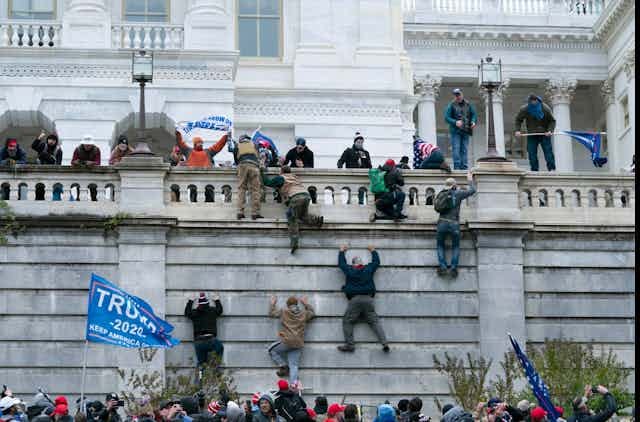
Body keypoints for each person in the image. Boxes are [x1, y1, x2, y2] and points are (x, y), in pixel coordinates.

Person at [336, 244, 389, 353]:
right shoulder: (368, 269)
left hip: (355, 300)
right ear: (362, 263)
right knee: (374, 322)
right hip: (369, 299)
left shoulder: (350, 269)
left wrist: (341, 251)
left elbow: (341, 264)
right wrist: (373, 250)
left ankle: (350, 345)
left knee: (347, 321)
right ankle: (385, 343)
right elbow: (376, 262)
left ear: (353, 264)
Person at [262, 166, 324, 254]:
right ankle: (316, 220)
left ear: (282, 171)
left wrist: (262, 172)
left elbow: (267, 183)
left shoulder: (281, 178)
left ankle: (294, 241)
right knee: (302, 216)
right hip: (306, 196)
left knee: (291, 217)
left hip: (296, 197)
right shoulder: (295, 177)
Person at [434, 172, 476, 278]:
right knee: (456, 246)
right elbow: (472, 190)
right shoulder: (458, 193)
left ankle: (443, 266)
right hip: (454, 224)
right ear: (454, 185)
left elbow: (437, 207)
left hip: (442, 222)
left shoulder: (440, 194)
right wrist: (470, 180)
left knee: (440, 245)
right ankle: (453, 268)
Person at [268, 295, 315, 384]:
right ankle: (294, 386)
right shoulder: (304, 313)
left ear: (287, 305)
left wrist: (273, 304)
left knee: (271, 350)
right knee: (294, 366)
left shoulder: (284, 312)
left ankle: (283, 366)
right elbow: (312, 313)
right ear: (297, 304)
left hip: (287, 341)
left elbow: (272, 313)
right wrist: (306, 304)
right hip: (298, 343)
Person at [514, 93, 557, 172]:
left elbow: (552, 121)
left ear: (537, 101)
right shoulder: (525, 109)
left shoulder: (545, 108)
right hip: (532, 134)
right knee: (531, 153)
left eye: (534, 102)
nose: (532, 103)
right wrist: (517, 130)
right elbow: (518, 120)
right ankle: (534, 170)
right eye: (530, 102)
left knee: (548, 152)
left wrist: (550, 130)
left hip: (544, 134)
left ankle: (552, 169)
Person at [184, 293, 224, 369]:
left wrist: (190, 301)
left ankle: (202, 378)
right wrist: (217, 300)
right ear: (208, 303)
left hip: (199, 341)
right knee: (220, 348)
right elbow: (220, 310)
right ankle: (215, 369)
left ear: (198, 304)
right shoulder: (212, 311)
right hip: (211, 339)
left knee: (202, 363)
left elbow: (187, 313)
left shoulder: (195, 312)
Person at [444, 88, 477, 170]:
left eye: (458, 94)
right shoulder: (451, 105)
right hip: (455, 131)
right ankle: (457, 168)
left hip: (466, 130)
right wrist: (455, 122)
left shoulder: (468, 104)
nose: (457, 96)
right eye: (456, 95)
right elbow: (446, 117)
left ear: (462, 94)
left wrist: (473, 121)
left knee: (464, 150)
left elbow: (474, 115)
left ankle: (464, 168)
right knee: (456, 149)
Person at [233, 134, 263, 220]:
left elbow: (236, 160)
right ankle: (255, 213)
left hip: (242, 165)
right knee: (255, 190)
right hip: (254, 166)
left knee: (242, 188)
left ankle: (240, 212)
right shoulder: (254, 145)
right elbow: (257, 157)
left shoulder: (237, 145)